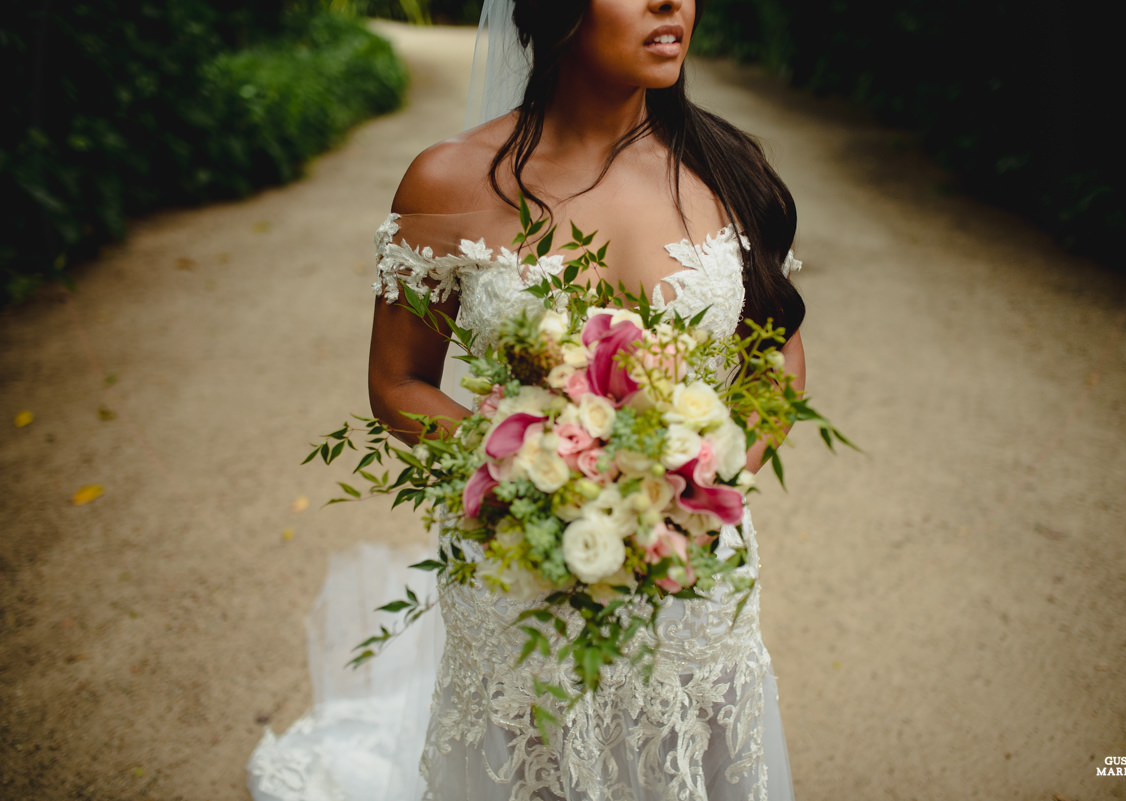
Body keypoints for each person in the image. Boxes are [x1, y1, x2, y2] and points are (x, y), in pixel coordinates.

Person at [248, 1, 806, 799]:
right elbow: (399, 383)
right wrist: (541, 476)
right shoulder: (449, 181)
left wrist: (699, 487)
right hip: (522, 566)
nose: (670, 1)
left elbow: (777, 360)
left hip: (696, 571)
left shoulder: (730, 170)